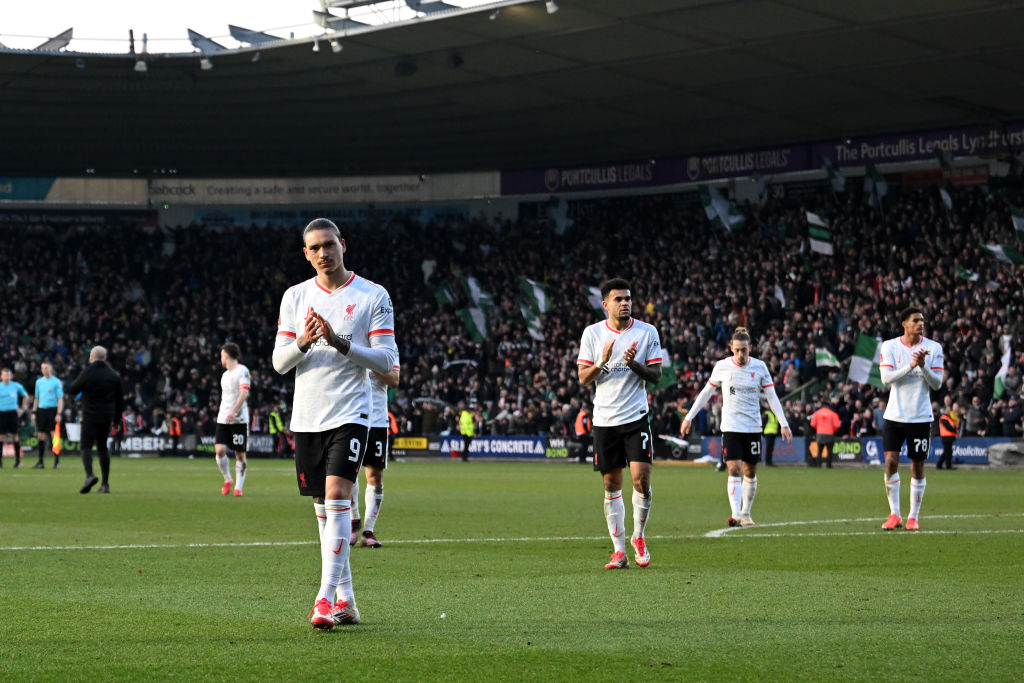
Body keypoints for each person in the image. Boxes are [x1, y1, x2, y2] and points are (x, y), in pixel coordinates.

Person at [272, 217, 397, 630]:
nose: (324, 253)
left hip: (352, 412)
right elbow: (278, 362)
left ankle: (323, 599)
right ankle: (347, 599)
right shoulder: (294, 296)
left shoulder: (371, 295)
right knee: (323, 509)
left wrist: (341, 343)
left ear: (343, 245)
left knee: (338, 493)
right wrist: (304, 342)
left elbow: (387, 362)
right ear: (305, 255)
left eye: (329, 244)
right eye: (315, 248)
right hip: (307, 415)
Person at [577, 278, 662, 569]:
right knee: (611, 485)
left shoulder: (647, 332)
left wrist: (633, 364)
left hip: (636, 417)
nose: (624, 303)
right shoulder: (592, 334)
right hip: (605, 420)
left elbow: (656, 376)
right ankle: (618, 551)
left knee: (642, 479)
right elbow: (583, 378)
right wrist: (602, 361)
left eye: (627, 298)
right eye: (618, 299)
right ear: (606, 304)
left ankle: (638, 536)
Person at [681, 327, 792, 527]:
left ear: (750, 349)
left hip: (753, 427)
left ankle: (746, 514)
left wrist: (783, 423)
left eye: (745, 350)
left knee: (749, 471)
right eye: (738, 350)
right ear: (731, 348)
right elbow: (706, 392)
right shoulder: (722, 367)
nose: (741, 354)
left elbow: (772, 397)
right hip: (731, 427)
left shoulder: (760, 368)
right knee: (734, 468)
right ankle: (735, 515)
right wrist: (689, 417)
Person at [878, 307, 944, 531]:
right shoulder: (890, 346)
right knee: (890, 462)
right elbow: (886, 378)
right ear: (904, 324)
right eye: (915, 320)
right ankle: (894, 514)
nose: (920, 323)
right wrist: (911, 365)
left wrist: (924, 366)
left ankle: (913, 517)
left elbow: (937, 384)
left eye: (922, 320)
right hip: (894, 415)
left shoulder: (933, 348)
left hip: (920, 416)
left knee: (917, 466)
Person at [350, 358, 400, 548]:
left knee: (374, 475)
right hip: (351, 415)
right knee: (348, 471)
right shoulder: (352, 338)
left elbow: (394, 380)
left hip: (378, 419)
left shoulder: (388, 347)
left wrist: (368, 361)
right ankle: (354, 521)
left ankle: (368, 531)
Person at [68, 346, 124, 494]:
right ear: (105, 358)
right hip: (106, 416)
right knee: (102, 447)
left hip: (90, 415)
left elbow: (73, 389)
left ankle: (89, 475)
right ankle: (105, 484)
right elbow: (120, 401)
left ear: (91, 358)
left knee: (85, 447)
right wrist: (117, 421)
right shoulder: (114, 375)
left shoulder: (88, 372)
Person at [214, 343, 251, 497]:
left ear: (227, 356)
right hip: (223, 418)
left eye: (222, 356)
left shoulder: (242, 371)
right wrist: (226, 413)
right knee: (220, 450)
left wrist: (233, 412)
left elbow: (244, 393)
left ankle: (238, 487)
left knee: (240, 455)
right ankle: (228, 478)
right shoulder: (225, 375)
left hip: (239, 419)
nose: (221, 359)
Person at [32, 361, 65, 469]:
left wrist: (59, 413)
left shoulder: (56, 382)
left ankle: (56, 462)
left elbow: (60, 399)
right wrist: (34, 411)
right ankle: (41, 462)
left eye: (46, 368)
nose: (44, 370)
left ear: (50, 369)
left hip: (53, 410)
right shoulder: (39, 382)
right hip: (41, 410)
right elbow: (37, 398)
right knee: (40, 435)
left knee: (54, 436)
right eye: (42, 368)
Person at [0, 367, 29, 468]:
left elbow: (26, 396)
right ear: (1, 376)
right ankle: (0, 462)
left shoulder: (16, 386)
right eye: (5, 374)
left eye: (8, 375)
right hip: (1, 414)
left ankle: (17, 462)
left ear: (11, 376)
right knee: (1, 437)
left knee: (15, 436)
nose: (7, 376)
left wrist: (23, 407)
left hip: (13, 413)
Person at [809, 398, 841, 468]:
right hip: (830, 433)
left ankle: (819, 464)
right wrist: (832, 429)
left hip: (820, 434)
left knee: (820, 451)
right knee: (829, 451)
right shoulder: (833, 414)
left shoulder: (816, 413)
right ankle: (828, 465)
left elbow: (812, 424)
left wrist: (818, 428)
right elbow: (837, 425)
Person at [936, 403, 959, 470]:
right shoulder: (944, 417)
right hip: (946, 437)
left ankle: (940, 464)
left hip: (949, 437)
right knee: (948, 452)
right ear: (945, 410)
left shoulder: (949, 418)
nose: (949, 411)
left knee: (947, 451)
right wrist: (955, 430)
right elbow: (949, 427)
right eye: (948, 410)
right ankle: (947, 465)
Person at [762, 401, 780, 466]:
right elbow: (763, 424)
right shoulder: (767, 413)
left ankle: (769, 461)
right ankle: (767, 462)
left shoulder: (774, 413)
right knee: (769, 448)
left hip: (773, 433)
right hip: (768, 433)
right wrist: (762, 433)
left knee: (771, 448)